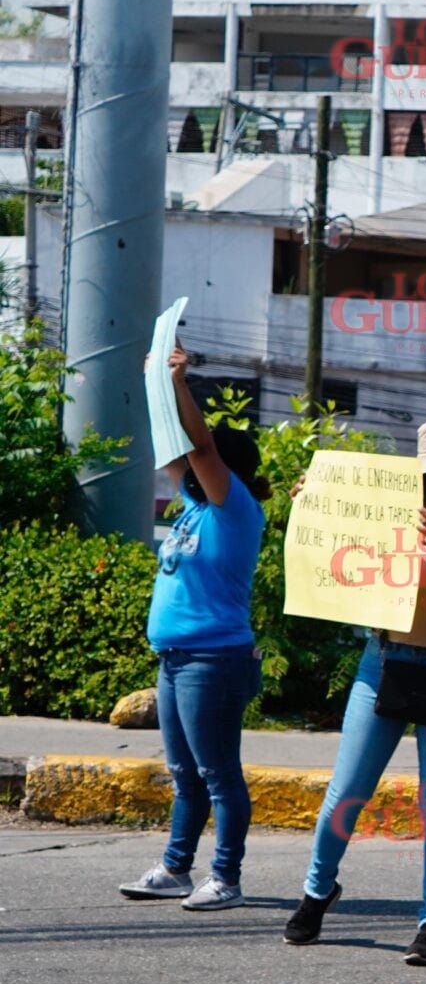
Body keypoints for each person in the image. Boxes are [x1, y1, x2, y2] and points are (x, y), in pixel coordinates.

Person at [284, 417, 426, 963]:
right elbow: (334, 542)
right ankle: (316, 891)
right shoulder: (387, 509)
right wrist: (315, 503)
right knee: (346, 790)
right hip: (386, 660)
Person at [123, 347, 271, 913]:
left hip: (214, 662)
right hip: (176, 660)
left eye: (196, 463)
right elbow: (177, 447)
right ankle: (176, 868)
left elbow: (200, 446)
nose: (182, 466)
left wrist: (182, 385)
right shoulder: (193, 511)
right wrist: (158, 389)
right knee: (185, 774)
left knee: (217, 775)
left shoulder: (234, 510)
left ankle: (226, 878)